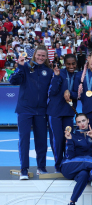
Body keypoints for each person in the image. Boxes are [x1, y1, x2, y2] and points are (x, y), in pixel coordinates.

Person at [9, 45, 53, 179]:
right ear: (34, 55)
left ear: (46, 57)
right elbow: (13, 81)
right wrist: (20, 66)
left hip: (41, 111)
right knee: (24, 140)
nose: (40, 58)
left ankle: (41, 167)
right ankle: (24, 169)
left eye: (43, 56)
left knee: (41, 141)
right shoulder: (25, 67)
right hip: (25, 109)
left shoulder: (49, 71)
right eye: (38, 55)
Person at [47, 54, 78, 173]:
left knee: (68, 138)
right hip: (55, 111)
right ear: (64, 64)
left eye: (73, 64)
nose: (71, 66)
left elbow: (78, 94)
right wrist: (56, 77)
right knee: (58, 139)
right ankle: (58, 166)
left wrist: (70, 93)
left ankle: (67, 163)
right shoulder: (59, 73)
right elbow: (52, 92)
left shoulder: (78, 75)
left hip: (68, 112)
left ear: (76, 64)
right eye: (68, 64)